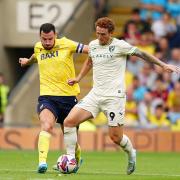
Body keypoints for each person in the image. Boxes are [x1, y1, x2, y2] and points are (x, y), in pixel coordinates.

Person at [62, 17, 180, 175]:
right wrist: (78, 78)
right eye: (97, 33)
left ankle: (131, 153)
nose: (99, 37)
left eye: (103, 34)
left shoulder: (120, 45)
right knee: (69, 122)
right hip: (95, 94)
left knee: (116, 138)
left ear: (111, 33)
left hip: (114, 98)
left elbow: (142, 54)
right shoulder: (93, 45)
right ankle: (71, 160)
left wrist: (163, 65)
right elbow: (89, 62)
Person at [19, 23, 88, 173]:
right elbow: (36, 56)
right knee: (46, 126)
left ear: (55, 35)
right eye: (44, 39)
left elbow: (90, 50)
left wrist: (80, 76)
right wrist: (27, 61)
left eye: (50, 39)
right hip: (47, 98)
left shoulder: (67, 44)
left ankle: (75, 159)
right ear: (40, 37)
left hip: (69, 98)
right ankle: (42, 163)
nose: (47, 42)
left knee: (70, 138)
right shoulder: (38, 47)